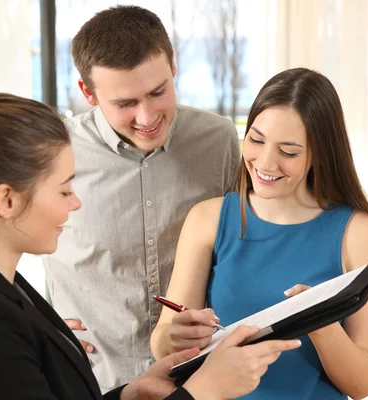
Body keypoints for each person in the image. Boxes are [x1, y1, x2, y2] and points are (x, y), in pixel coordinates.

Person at [0, 93, 300, 400]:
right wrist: (202, 393)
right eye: (63, 191)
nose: (75, 203)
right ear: (6, 200)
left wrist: (129, 396)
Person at [150, 68, 368, 399]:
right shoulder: (207, 219)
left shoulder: (362, 233)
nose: (265, 162)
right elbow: (162, 341)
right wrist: (176, 337)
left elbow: (362, 383)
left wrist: (317, 319)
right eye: (256, 139)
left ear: (319, 154)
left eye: (288, 151)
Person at [42, 5, 241, 392]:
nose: (147, 116)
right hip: (93, 382)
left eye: (158, 92)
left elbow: (246, 243)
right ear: (88, 93)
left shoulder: (220, 141)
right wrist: (30, 322)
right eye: (125, 103)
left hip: (199, 379)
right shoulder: (52, 150)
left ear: (173, 66)